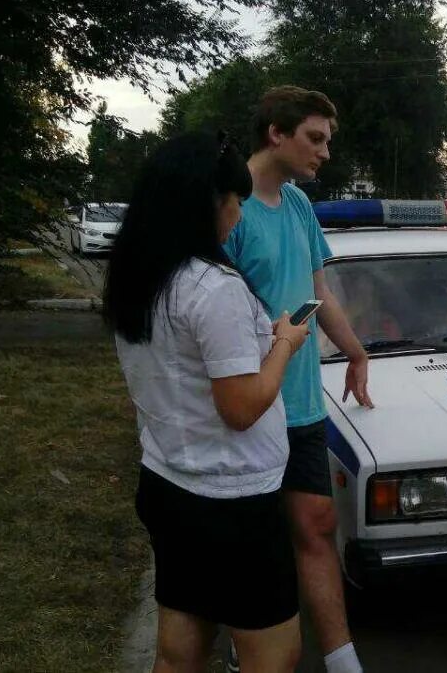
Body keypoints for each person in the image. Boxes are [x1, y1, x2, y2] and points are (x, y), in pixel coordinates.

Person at [103, 132, 307, 673]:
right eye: (233, 201)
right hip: (233, 503)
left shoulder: (138, 277)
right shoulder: (214, 288)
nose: (237, 216)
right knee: (275, 655)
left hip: (169, 483)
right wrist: (284, 343)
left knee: (180, 648)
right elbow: (241, 409)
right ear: (204, 203)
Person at [223, 86, 372, 673]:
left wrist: (356, 352)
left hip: (304, 405)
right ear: (276, 134)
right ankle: (245, 650)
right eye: (316, 138)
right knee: (254, 542)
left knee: (316, 523)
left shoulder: (300, 207)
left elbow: (318, 294)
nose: (325, 152)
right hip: (250, 406)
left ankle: (342, 660)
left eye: (328, 140)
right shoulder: (230, 209)